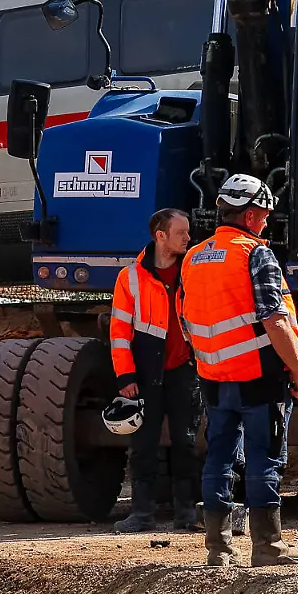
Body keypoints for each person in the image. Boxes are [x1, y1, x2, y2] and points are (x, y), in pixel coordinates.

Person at [179, 174, 298, 568]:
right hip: (259, 377)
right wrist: (297, 370)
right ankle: (267, 546)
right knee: (264, 457)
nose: (267, 222)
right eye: (264, 215)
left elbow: (185, 320)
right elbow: (274, 319)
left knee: (219, 457)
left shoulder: (193, 257)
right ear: (250, 215)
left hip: (213, 377)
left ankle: (218, 549)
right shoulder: (256, 254)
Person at [110, 207, 201, 534]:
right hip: (146, 373)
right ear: (160, 236)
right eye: (181, 233)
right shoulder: (130, 277)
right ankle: (142, 513)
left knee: (186, 443)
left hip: (185, 370)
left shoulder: (193, 271)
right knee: (143, 445)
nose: (188, 238)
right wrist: (126, 377)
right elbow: (119, 332)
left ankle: (186, 512)